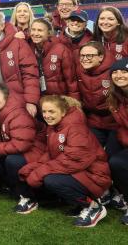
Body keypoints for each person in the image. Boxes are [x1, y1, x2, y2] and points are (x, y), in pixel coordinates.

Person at [17, 95, 111, 227]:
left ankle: (94, 207)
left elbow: (74, 159)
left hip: (95, 176)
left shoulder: (75, 127)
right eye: (44, 111)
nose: (47, 115)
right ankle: (79, 205)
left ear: (63, 112)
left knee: (52, 180)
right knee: (31, 171)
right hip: (79, 172)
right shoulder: (54, 126)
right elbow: (52, 154)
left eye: (51, 111)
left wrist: (41, 171)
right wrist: (35, 167)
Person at [0, 84, 45, 202]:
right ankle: (8, 185)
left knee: (11, 160)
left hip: (36, 150)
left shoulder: (18, 114)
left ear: (6, 97)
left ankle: (27, 196)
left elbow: (21, 145)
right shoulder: (1, 112)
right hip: (23, 149)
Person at [0, 10, 40, 117]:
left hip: (14, 99)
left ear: (2, 26)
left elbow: (30, 73)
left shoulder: (18, 43)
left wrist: (31, 101)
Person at [76, 41, 120, 156]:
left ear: (100, 57)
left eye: (89, 55)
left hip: (115, 122)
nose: (85, 59)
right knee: (90, 154)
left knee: (110, 156)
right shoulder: (79, 70)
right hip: (93, 121)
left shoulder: (114, 72)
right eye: (82, 56)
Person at [29, 18, 79, 99]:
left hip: (59, 100)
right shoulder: (28, 48)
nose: (35, 33)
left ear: (49, 33)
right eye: (33, 30)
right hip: (40, 100)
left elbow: (71, 80)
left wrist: (74, 102)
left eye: (40, 30)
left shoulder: (61, 50)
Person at [107, 58, 128, 224]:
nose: (119, 75)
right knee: (108, 156)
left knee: (118, 162)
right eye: (115, 72)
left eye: (124, 71)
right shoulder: (115, 96)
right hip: (124, 135)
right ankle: (119, 195)